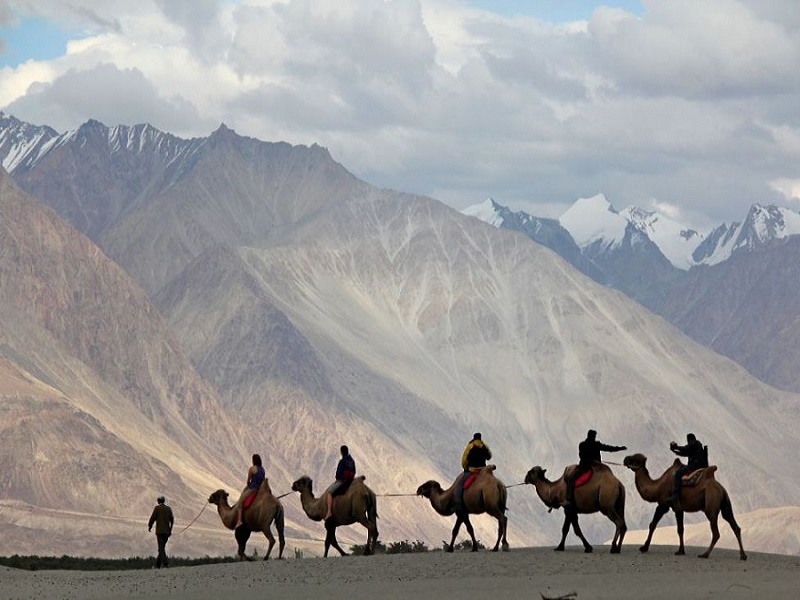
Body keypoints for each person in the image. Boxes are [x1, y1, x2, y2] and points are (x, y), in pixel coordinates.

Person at [564, 429, 626, 507]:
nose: (594, 437)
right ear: (593, 436)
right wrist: (619, 448)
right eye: (594, 436)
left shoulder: (582, 445)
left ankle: (569, 499)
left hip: (585, 467)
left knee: (571, 480)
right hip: (597, 467)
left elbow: (581, 456)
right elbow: (608, 448)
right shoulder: (596, 444)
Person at [669, 433, 708, 509]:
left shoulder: (694, 443)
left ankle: (675, 496)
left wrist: (676, 447)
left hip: (694, 466)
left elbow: (685, 449)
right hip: (700, 465)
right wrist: (675, 451)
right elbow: (686, 453)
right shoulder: (697, 445)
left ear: (689, 439)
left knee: (678, 473)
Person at [455, 433, 492, 507]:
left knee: (460, 484)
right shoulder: (484, 446)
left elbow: (464, 460)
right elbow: (489, 456)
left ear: (474, 438)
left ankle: (458, 504)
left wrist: (465, 468)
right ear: (480, 438)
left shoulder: (470, 446)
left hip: (472, 470)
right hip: (483, 471)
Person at [324, 445, 356, 521]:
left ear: (341, 452)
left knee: (329, 492)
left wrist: (338, 479)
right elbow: (354, 471)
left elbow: (338, 474)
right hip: (351, 481)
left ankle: (329, 512)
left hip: (343, 481)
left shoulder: (342, 461)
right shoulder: (352, 461)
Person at [234, 453, 266, 528]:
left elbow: (248, 481)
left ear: (253, 460)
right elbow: (263, 480)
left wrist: (248, 485)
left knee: (240, 502)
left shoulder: (252, 469)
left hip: (253, 488)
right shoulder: (263, 469)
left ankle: (239, 521)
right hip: (260, 489)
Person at [148, 495, 174, 568]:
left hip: (159, 531)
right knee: (162, 548)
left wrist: (150, 526)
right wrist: (170, 529)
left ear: (158, 501)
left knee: (161, 548)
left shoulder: (157, 508)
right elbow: (172, 520)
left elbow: (152, 518)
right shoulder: (168, 509)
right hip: (167, 532)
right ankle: (158, 565)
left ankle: (165, 563)